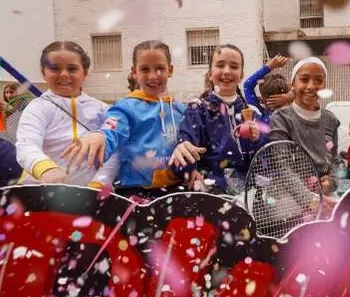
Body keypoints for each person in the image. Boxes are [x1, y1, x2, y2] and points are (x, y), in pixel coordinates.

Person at [61, 40, 186, 198]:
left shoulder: (180, 109)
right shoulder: (126, 107)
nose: (153, 76)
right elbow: (113, 128)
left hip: (176, 188)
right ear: (134, 72)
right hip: (135, 192)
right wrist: (101, 135)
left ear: (170, 70)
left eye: (160, 68)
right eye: (144, 69)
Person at [15, 41, 118, 186]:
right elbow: (26, 145)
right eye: (55, 68)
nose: (63, 74)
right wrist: (46, 169)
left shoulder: (103, 109)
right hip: (42, 193)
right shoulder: (37, 108)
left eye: (72, 69)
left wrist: (99, 183)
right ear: (44, 73)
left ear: (85, 73)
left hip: (90, 197)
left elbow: (114, 152)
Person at [169, 44, 264, 193]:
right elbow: (180, 164)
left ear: (241, 75)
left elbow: (264, 163)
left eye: (233, 67)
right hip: (211, 193)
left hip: (250, 193)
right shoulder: (197, 110)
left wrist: (256, 141)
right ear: (210, 74)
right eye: (220, 65)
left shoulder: (253, 113)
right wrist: (186, 161)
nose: (226, 71)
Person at [268, 57, 340, 194]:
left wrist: (332, 182)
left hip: (324, 193)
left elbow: (334, 159)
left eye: (318, 80)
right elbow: (281, 166)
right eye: (304, 79)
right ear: (292, 84)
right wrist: (309, 199)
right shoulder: (281, 118)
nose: (311, 86)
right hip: (288, 196)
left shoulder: (331, 119)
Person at [242, 55, 293, 124]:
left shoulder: (260, 115)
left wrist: (269, 66)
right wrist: (290, 97)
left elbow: (248, 85)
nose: (277, 101)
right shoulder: (294, 117)